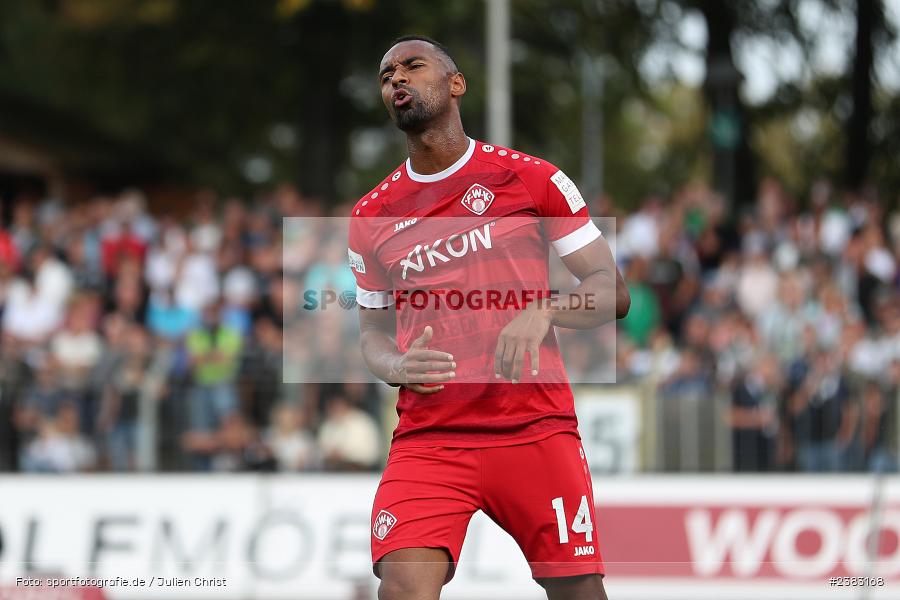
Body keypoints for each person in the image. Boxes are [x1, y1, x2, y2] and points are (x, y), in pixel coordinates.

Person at [348, 35, 629, 600]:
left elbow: (611, 290)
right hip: (431, 437)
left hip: (533, 427)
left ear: (456, 84)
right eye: (385, 75)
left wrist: (547, 310)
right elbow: (371, 337)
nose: (396, 79)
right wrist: (397, 364)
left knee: (579, 592)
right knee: (402, 586)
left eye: (412, 66)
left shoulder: (531, 178)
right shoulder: (370, 215)